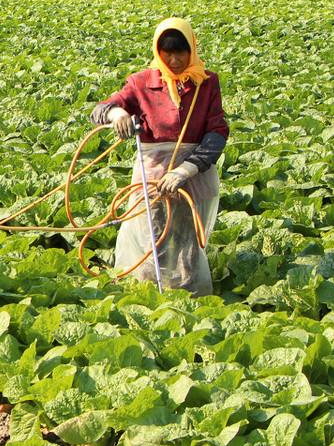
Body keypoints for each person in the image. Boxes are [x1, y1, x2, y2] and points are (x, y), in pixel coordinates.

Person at [89, 17, 229, 296]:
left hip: (193, 174)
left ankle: (188, 290)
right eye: (168, 52)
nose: (175, 59)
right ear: (158, 51)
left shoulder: (206, 82)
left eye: (181, 52)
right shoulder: (141, 83)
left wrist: (187, 169)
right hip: (153, 173)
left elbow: (217, 131)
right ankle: (149, 289)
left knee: (187, 236)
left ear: (192, 49)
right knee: (151, 233)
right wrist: (116, 113)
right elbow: (101, 109)